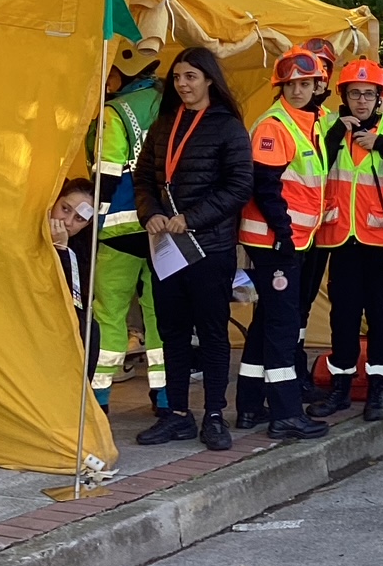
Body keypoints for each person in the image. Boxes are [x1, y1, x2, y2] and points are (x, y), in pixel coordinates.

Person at [133, 47, 255, 451]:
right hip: (167, 247)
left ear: (208, 80)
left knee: (212, 332)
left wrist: (194, 217)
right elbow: (143, 179)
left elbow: (240, 186)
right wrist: (149, 212)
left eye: (191, 77)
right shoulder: (163, 124)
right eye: (179, 77)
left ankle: (215, 414)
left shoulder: (228, 127)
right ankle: (179, 415)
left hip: (209, 248)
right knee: (172, 333)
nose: (183, 84)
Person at [312, 58, 383, 419]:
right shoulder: (329, 127)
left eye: (368, 94)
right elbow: (311, 170)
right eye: (354, 93)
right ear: (343, 96)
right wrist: (333, 136)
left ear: (380, 98)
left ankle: (379, 390)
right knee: (342, 317)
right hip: (342, 238)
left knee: (381, 317)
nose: (361, 100)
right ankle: (340, 389)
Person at [235, 46, 332, 440]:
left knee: (266, 323)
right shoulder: (275, 124)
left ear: (316, 86)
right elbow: (265, 187)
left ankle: (249, 406)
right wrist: (285, 234)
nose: (298, 90)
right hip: (275, 240)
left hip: (289, 238)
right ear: (281, 86)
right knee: (281, 324)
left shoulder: (309, 121)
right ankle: (286, 413)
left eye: (304, 84)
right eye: (291, 84)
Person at [91, 44, 169, 417]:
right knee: (161, 315)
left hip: (119, 233)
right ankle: (165, 397)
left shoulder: (114, 112)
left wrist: (91, 219)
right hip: (163, 231)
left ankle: (100, 400)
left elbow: (106, 175)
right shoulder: (170, 104)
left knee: (109, 314)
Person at [294, 36, 339, 400]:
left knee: (304, 303)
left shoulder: (328, 119)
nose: (319, 78)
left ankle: (295, 370)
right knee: (288, 306)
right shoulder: (284, 119)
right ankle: (287, 373)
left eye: (324, 70)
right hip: (288, 233)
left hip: (319, 231)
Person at [51, 179, 100, 382]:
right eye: (64, 209)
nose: (68, 222)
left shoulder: (81, 247)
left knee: (90, 330)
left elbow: (75, 299)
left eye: (80, 219)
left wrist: (61, 250)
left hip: (59, 316)